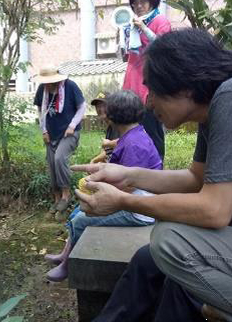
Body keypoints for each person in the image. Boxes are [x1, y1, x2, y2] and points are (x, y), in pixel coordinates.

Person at [74, 29, 232, 322]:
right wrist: (128, 175)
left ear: (184, 85)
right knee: (155, 258)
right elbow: (196, 178)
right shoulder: (217, 108)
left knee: (170, 240)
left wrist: (124, 202)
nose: (149, 103)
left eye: (153, 90)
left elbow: (214, 210)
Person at [44, 90, 161, 282]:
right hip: (134, 201)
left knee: (80, 220)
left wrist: (96, 184)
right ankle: (66, 255)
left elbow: (128, 187)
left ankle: (68, 266)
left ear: (112, 115)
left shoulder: (134, 144)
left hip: (138, 209)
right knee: (77, 213)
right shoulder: (132, 135)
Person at [121, 0, 171, 160]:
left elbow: (164, 47)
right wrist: (123, 36)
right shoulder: (131, 25)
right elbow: (126, 57)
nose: (138, 6)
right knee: (131, 131)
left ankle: (157, 171)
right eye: (135, 4)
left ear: (152, 1)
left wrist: (144, 28)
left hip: (150, 86)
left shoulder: (160, 20)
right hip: (132, 83)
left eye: (142, 2)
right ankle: (137, 171)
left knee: (152, 131)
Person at [34, 66, 86, 215]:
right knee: (51, 164)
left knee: (59, 159)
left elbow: (82, 106)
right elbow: (40, 111)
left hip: (69, 133)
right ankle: (56, 198)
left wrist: (72, 125)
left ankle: (66, 194)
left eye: (51, 82)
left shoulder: (70, 86)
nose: (48, 85)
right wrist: (43, 130)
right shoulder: (42, 89)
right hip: (51, 134)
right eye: (46, 82)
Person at [89, 92, 121, 164]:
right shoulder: (110, 126)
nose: (100, 109)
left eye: (104, 106)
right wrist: (95, 160)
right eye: (97, 106)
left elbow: (125, 143)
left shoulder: (118, 124)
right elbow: (108, 151)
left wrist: (108, 143)